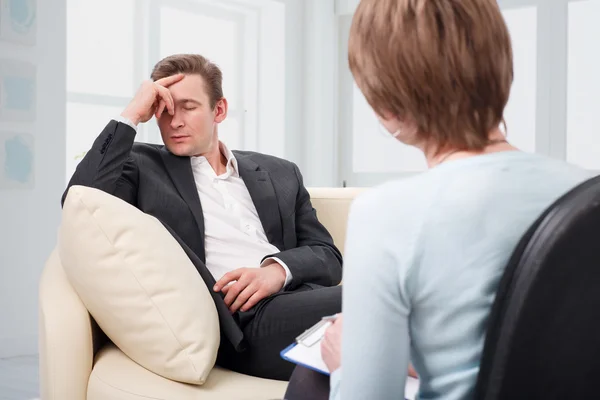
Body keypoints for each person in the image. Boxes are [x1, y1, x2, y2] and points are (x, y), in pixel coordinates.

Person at [284, 0, 592, 398]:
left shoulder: (386, 214)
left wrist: (344, 362)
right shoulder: (588, 191)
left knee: (311, 379)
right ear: (502, 67)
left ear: (385, 106)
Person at [62, 54, 342, 381]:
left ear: (218, 110)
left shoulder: (279, 172)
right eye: (164, 109)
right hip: (243, 321)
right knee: (378, 299)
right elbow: (79, 202)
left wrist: (276, 271)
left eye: (189, 107)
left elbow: (327, 255)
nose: (175, 121)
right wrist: (133, 113)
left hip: (300, 298)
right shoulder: (141, 165)